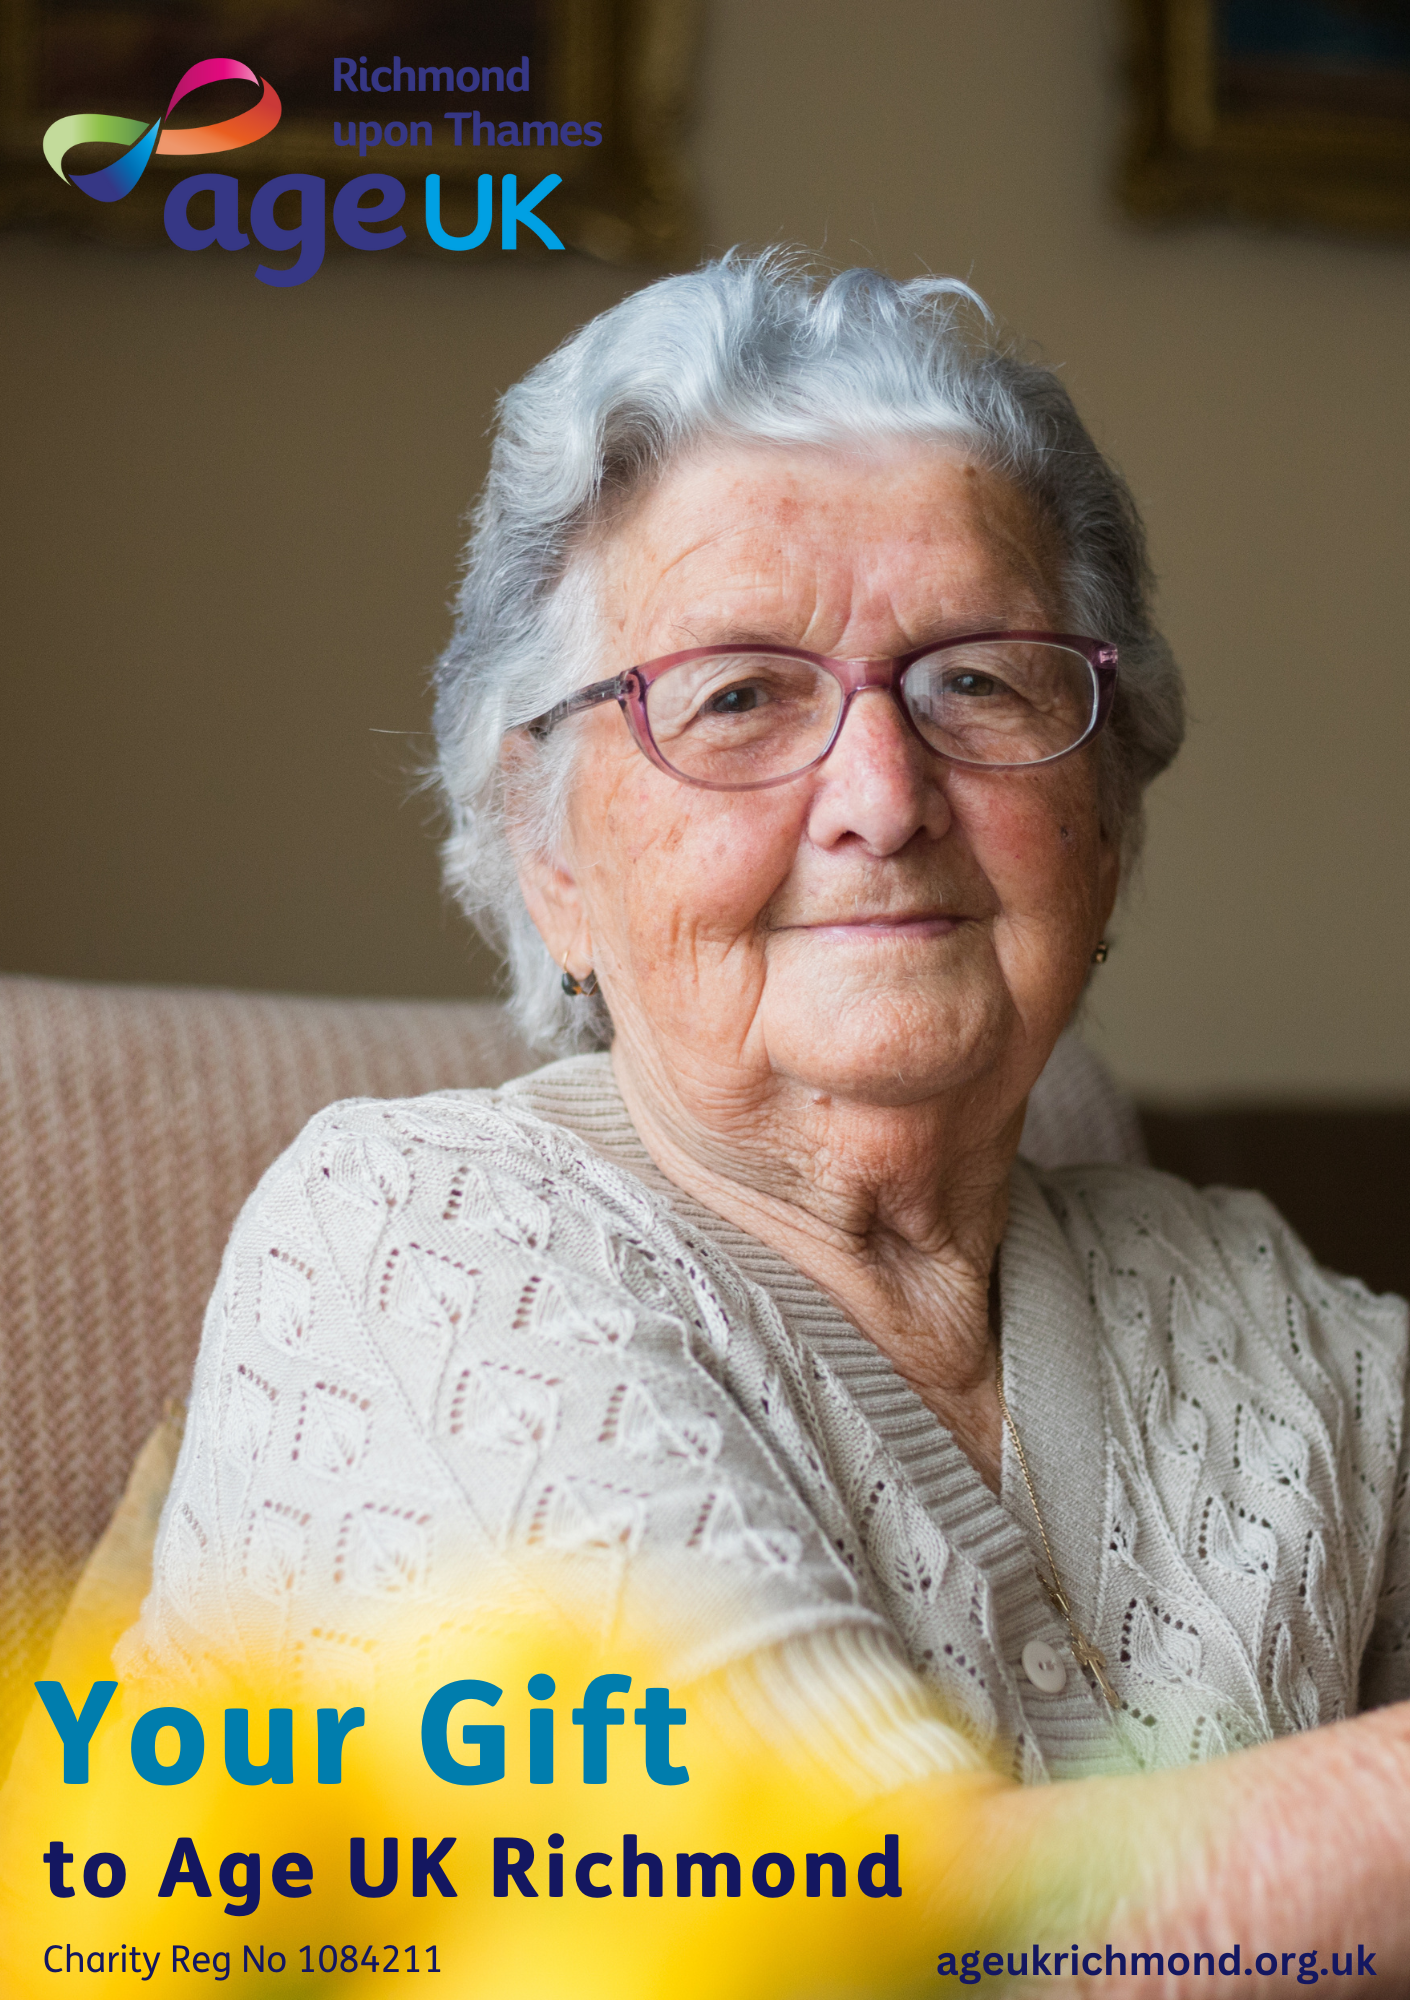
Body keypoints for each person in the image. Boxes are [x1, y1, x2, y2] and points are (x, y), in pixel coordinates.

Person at [124, 253, 1410, 1975]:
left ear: (1106, 824)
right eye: (736, 696)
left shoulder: (1251, 1305)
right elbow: (861, 1937)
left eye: (978, 682)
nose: (881, 798)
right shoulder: (413, 1254)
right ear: (550, 860)